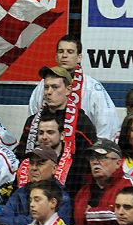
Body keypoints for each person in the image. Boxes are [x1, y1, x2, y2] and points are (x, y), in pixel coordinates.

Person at [19, 66, 98, 197]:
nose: (49, 92)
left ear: (68, 90)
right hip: (30, 193)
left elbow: (87, 164)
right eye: (46, 87)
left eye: (55, 87)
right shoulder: (32, 122)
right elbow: (21, 157)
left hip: (71, 194)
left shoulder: (82, 123)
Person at [27, 35, 120, 141]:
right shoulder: (42, 85)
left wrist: (98, 148)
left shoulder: (91, 87)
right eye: (61, 51)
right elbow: (33, 119)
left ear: (79, 57)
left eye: (70, 52)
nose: (64, 55)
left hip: (82, 145)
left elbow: (107, 124)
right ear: (56, 56)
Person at [73, 139, 133, 225]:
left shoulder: (129, 183)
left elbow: (129, 215)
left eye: (102, 158)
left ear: (118, 163)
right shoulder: (83, 192)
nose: (95, 162)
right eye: (92, 158)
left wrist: (90, 214)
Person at [0, 145, 72, 225]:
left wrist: (18, 222)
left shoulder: (62, 198)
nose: (34, 168)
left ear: (54, 169)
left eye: (41, 163)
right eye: (31, 163)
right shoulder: (20, 193)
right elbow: (1, 220)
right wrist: (31, 220)